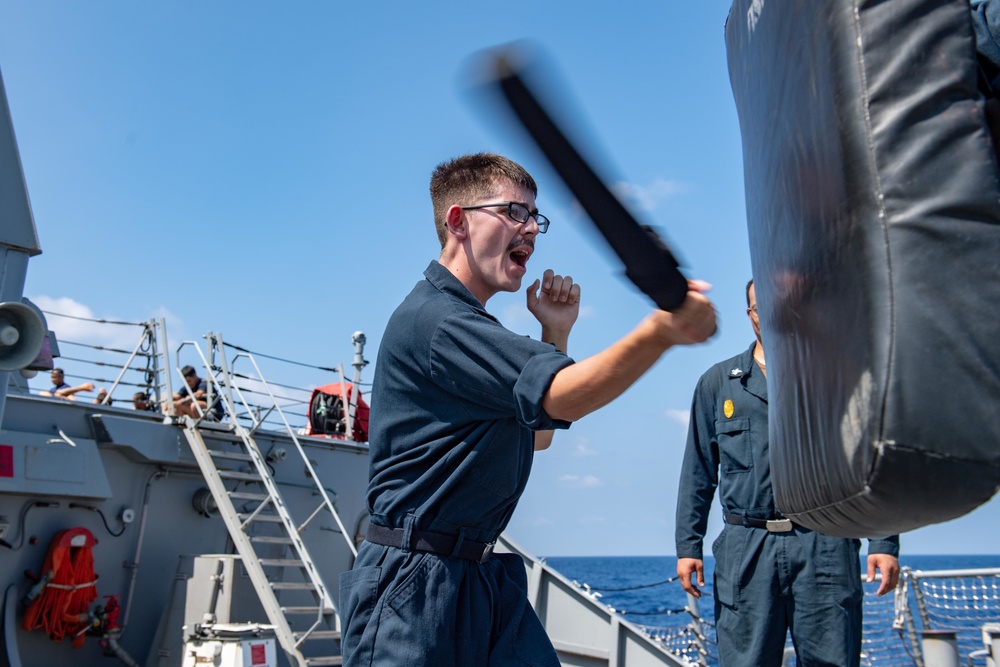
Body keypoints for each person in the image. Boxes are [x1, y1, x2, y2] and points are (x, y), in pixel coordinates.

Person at [338, 152, 717, 667]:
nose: (531, 229)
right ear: (458, 222)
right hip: (416, 585)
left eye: (535, 218)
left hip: (475, 575)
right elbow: (561, 397)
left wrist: (555, 332)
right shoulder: (439, 322)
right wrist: (662, 332)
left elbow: (537, 434)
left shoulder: (468, 329)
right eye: (514, 212)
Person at [674, 279, 900, 667]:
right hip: (747, 548)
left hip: (825, 542)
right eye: (761, 307)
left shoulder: (839, 376)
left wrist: (883, 541)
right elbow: (698, 470)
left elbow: (870, 462)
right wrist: (687, 547)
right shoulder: (717, 384)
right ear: (750, 316)